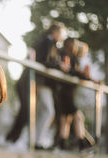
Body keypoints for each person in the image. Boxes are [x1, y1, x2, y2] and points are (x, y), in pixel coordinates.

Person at [33, 22, 69, 150]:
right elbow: (44, 62)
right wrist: (59, 66)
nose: (63, 37)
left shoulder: (50, 43)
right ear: (55, 32)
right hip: (42, 83)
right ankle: (37, 141)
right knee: (48, 111)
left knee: (44, 112)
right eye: (62, 33)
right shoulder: (47, 42)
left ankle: (37, 141)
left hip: (45, 84)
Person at [57, 38, 94, 151]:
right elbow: (69, 70)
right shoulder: (65, 55)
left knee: (66, 119)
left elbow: (76, 72)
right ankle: (82, 143)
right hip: (65, 92)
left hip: (69, 92)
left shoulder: (74, 58)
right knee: (77, 116)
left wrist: (86, 76)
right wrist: (82, 73)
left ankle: (62, 144)